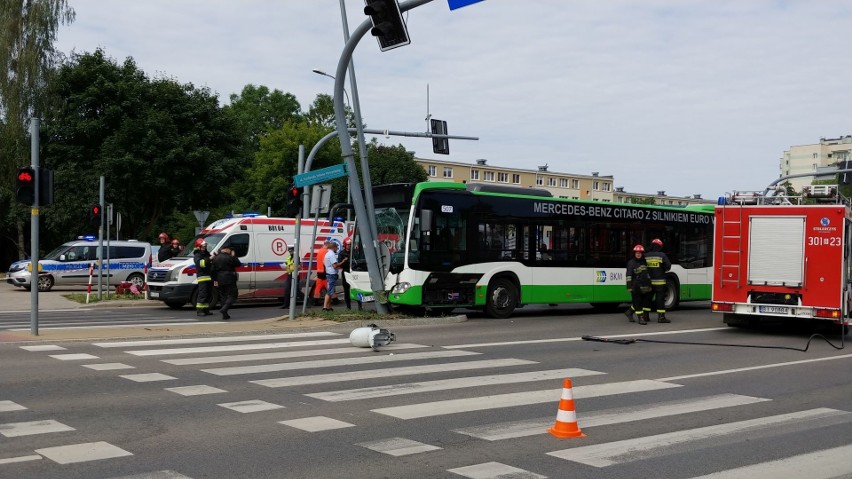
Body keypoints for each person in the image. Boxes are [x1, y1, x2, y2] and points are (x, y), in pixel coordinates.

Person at [645, 238, 672, 323]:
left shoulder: (646, 255)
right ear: (660, 246)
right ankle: (661, 317)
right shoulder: (662, 255)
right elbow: (668, 266)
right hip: (660, 282)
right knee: (659, 299)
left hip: (648, 282)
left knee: (647, 299)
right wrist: (662, 270)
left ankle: (645, 316)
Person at [625, 244, 653, 325]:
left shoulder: (644, 262)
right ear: (634, 253)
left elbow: (647, 275)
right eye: (637, 253)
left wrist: (649, 285)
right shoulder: (631, 263)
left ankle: (629, 312)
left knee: (643, 302)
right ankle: (641, 318)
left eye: (640, 253)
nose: (638, 254)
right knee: (638, 303)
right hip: (635, 286)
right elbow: (628, 275)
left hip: (644, 286)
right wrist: (629, 286)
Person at [212, 245, 241, 320]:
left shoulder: (216, 257)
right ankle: (224, 309)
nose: (230, 251)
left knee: (223, 296)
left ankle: (225, 315)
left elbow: (212, 270)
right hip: (229, 278)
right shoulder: (230, 257)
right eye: (230, 250)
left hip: (219, 278)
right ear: (226, 249)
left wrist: (215, 280)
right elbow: (238, 264)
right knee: (233, 295)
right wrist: (234, 256)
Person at [192, 239, 213, 317]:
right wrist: (210, 259)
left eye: (205, 246)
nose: (204, 248)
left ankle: (206, 309)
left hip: (209, 276)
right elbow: (201, 264)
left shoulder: (206, 254)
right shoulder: (197, 255)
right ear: (199, 247)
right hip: (202, 277)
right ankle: (199, 310)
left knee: (208, 294)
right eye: (203, 247)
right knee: (202, 294)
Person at [322, 241, 341, 312]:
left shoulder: (327, 254)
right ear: (333, 247)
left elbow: (324, 263)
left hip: (328, 273)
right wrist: (343, 262)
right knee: (330, 291)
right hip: (332, 274)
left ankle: (329, 307)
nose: (337, 248)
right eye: (336, 247)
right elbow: (335, 265)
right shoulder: (332, 254)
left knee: (331, 291)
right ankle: (325, 307)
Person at [337, 236, 352, 310]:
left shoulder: (354, 252)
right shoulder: (342, 253)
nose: (349, 246)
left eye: (350, 245)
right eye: (348, 245)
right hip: (346, 272)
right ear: (345, 245)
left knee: (356, 288)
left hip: (353, 271)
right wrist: (344, 261)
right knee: (346, 290)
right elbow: (339, 263)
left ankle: (360, 305)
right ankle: (348, 306)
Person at [280, 242, 296, 309]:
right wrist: (284, 265)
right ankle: (286, 305)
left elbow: (296, 266)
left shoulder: (296, 257)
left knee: (297, 291)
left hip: (295, 275)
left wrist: (287, 266)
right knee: (287, 290)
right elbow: (287, 263)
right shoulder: (289, 257)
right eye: (289, 250)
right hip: (290, 275)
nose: (289, 251)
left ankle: (307, 301)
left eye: (291, 250)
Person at [312, 240, 329, 305]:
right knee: (328, 286)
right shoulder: (325, 251)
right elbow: (324, 261)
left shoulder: (320, 251)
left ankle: (315, 300)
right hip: (324, 271)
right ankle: (335, 299)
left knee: (318, 286)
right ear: (327, 244)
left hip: (319, 271)